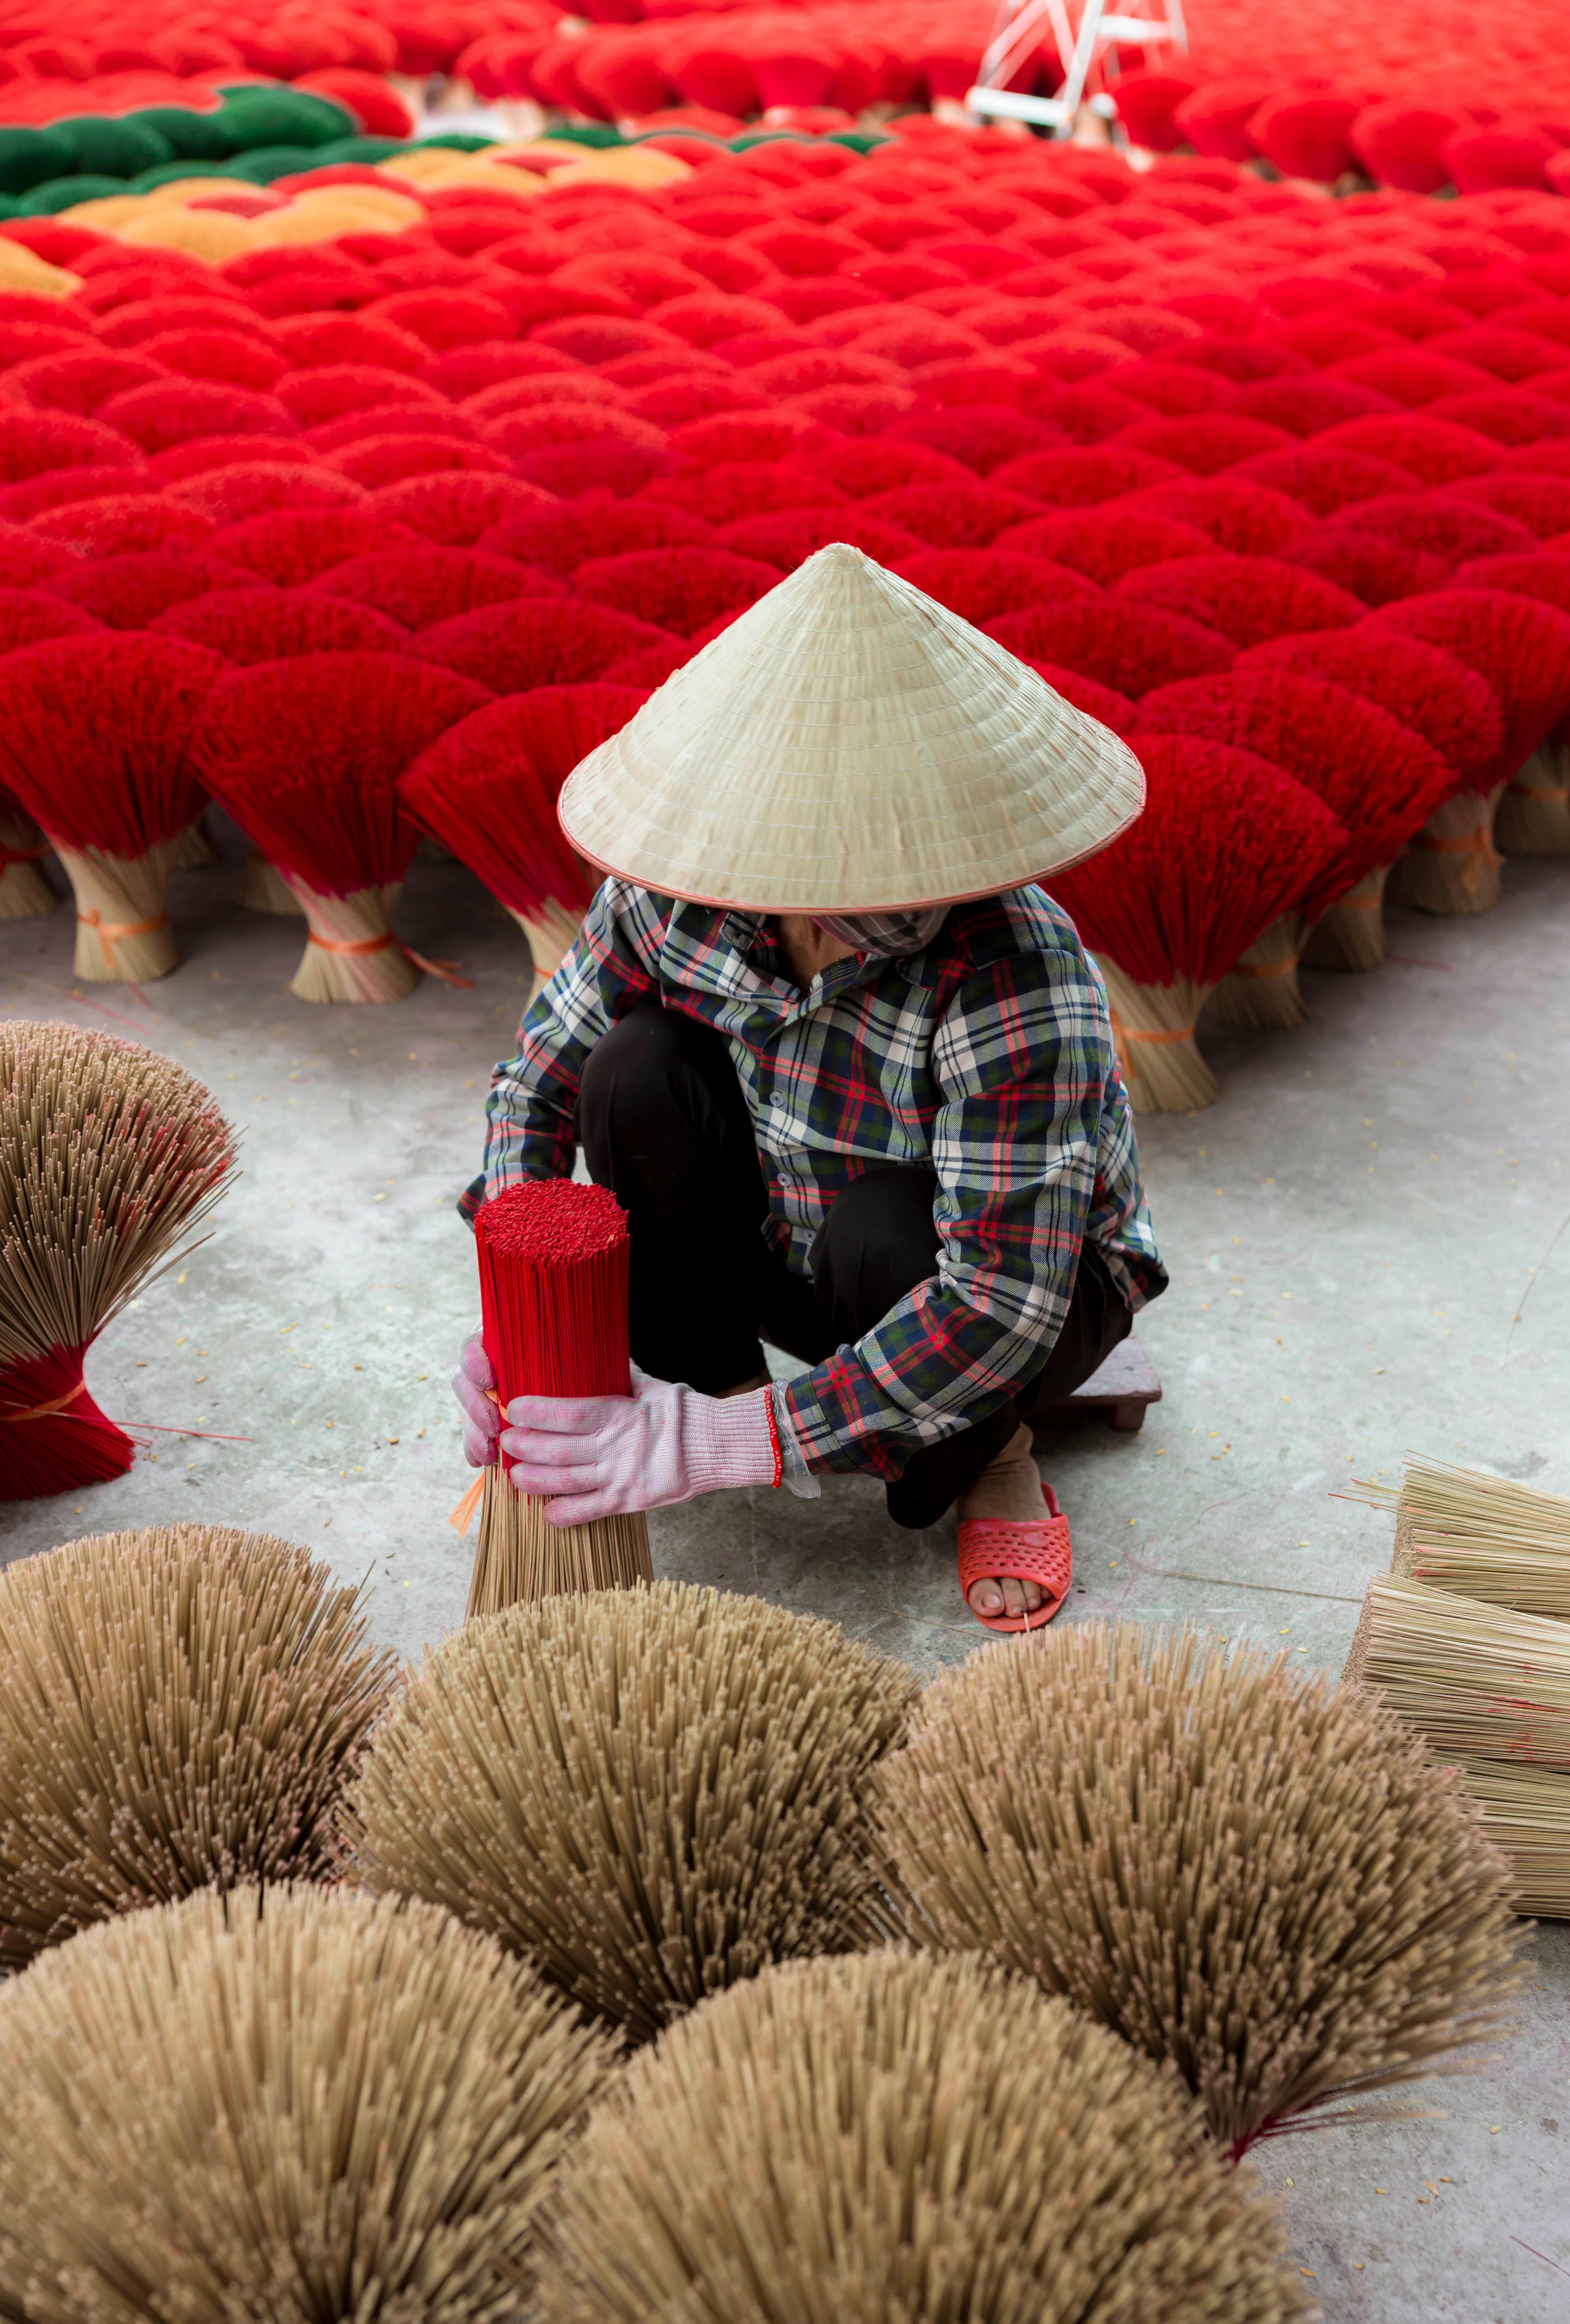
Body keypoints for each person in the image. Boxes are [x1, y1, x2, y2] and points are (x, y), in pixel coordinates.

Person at [454, 543, 1165, 1630]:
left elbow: (996, 1306)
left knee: (885, 1228)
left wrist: (720, 1452)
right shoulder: (677, 896)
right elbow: (535, 1092)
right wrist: (520, 1313)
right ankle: (729, 1390)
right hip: (791, 1237)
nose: (890, 893)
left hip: (1006, 1283)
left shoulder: (1017, 968)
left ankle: (992, 1453)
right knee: (630, 1068)